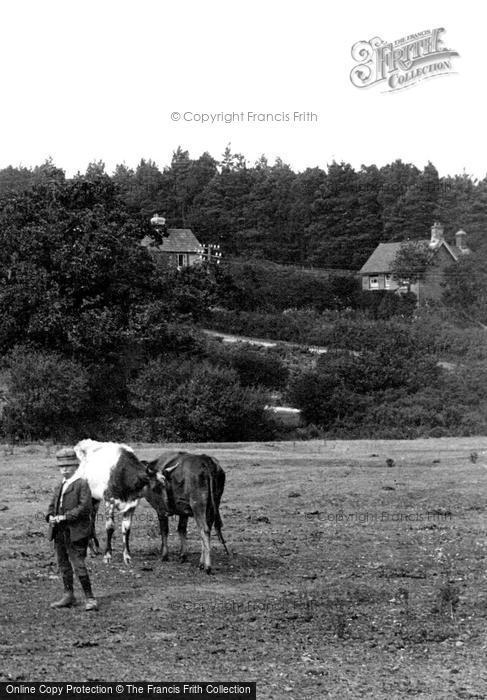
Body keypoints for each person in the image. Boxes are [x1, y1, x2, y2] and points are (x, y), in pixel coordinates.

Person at [46, 448, 98, 611]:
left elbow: (85, 508)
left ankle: (90, 598)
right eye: (62, 467)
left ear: (76, 466)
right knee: (63, 564)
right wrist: (49, 516)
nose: (65, 469)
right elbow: (52, 505)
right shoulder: (60, 484)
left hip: (77, 531)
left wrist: (65, 517)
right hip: (59, 531)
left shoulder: (82, 483)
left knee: (78, 564)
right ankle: (69, 595)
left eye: (68, 466)